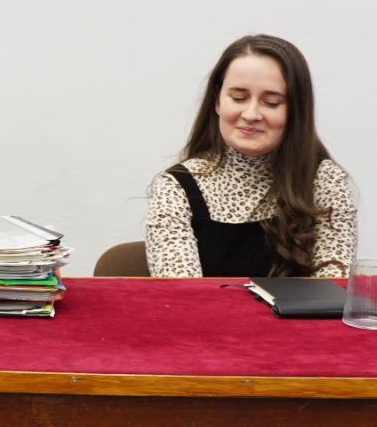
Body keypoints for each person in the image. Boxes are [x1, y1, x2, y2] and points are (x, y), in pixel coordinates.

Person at [145, 34, 357, 277]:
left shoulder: (325, 180)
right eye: (238, 98)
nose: (251, 114)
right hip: (204, 305)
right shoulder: (174, 187)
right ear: (217, 101)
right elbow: (182, 294)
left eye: (272, 102)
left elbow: (330, 289)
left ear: (296, 110)